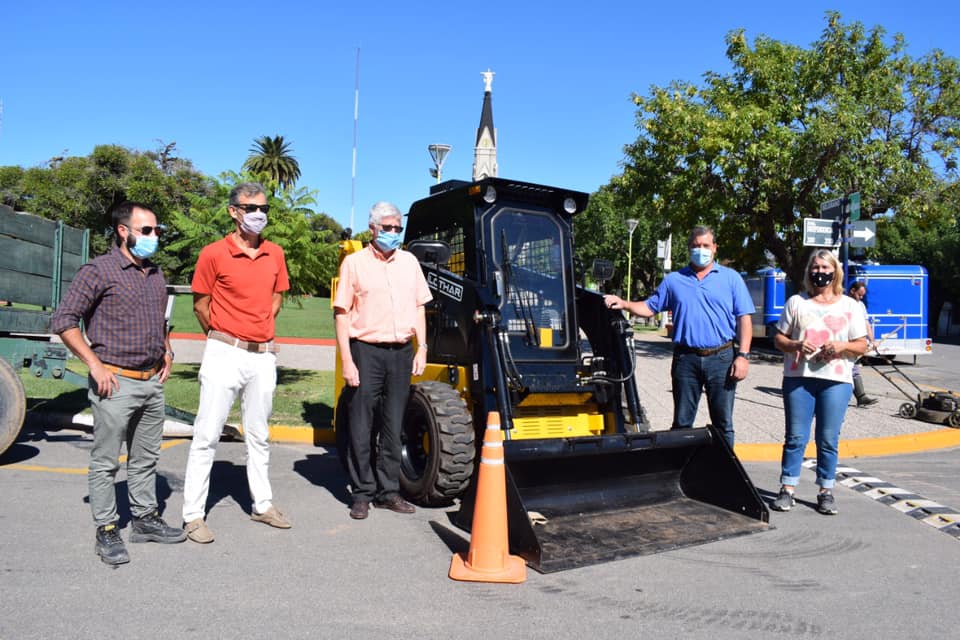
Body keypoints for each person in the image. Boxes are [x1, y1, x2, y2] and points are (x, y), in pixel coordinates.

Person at [51, 201, 186, 566]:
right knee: (106, 462)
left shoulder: (155, 273)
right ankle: (107, 528)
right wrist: (94, 365)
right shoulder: (98, 270)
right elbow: (64, 320)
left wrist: (168, 351)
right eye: (147, 230)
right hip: (115, 381)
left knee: (145, 459)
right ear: (123, 231)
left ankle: (144, 519)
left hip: (150, 381)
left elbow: (161, 320)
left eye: (158, 230)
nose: (154, 236)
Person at [181, 182, 291, 543]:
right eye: (251, 208)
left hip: (263, 355)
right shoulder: (213, 253)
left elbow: (277, 297)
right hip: (225, 351)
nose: (259, 214)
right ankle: (193, 516)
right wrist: (224, 334)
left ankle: (262, 505)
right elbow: (201, 304)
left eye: (264, 209)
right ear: (233, 211)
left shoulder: (275, 253)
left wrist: (258, 327)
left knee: (259, 435)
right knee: (207, 435)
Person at [603, 225, 754, 448]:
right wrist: (624, 303)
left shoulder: (731, 279)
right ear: (688, 248)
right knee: (682, 423)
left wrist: (743, 356)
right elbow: (650, 307)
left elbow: (744, 319)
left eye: (705, 245)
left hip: (722, 359)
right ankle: (682, 469)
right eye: (695, 246)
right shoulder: (674, 280)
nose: (700, 250)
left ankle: (723, 472)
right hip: (686, 360)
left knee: (723, 423)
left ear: (714, 248)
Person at [333, 201, 432, 520]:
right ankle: (362, 492)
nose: (392, 233)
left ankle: (388, 491)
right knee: (361, 423)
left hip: (401, 352)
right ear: (372, 227)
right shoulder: (354, 263)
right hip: (366, 350)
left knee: (393, 423)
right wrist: (347, 360)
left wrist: (422, 347)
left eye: (397, 228)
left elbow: (420, 306)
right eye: (387, 227)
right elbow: (341, 313)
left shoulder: (409, 262)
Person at [770, 250, 868, 515]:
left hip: (836, 380)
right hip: (798, 378)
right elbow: (779, 339)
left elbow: (863, 345)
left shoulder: (850, 306)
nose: (820, 271)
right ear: (808, 271)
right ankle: (787, 489)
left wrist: (841, 345)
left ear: (835, 271)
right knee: (795, 437)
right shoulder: (796, 302)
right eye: (815, 267)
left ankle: (826, 490)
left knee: (827, 438)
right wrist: (795, 344)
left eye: (825, 267)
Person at [847, 281, 878, 407]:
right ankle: (859, 396)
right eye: (859, 295)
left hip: (857, 341)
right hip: (846, 341)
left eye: (862, 296)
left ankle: (861, 396)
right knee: (850, 368)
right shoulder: (843, 303)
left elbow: (866, 324)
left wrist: (872, 340)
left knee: (853, 368)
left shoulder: (861, 306)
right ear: (852, 291)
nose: (861, 298)